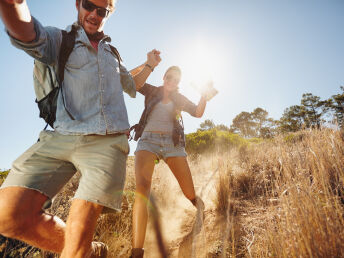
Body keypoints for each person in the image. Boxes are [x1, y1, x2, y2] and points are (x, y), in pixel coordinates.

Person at [0, 0, 161, 257]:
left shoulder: (112, 54)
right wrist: (13, 4)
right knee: (7, 215)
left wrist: (150, 65)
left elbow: (132, 85)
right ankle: (91, 251)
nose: (94, 14)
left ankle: (80, 249)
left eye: (102, 11)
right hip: (61, 136)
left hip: (106, 142)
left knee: (77, 235)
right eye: (89, 5)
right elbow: (26, 31)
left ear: (108, 14)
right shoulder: (59, 40)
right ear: (78, 3)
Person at [130, 66, 213, 257]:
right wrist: (148, 64)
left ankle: (198, 204)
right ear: (164, 77)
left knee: (189, 192)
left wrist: (204, 95)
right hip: (147, 142)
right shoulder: (151, 90)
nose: (172, 81)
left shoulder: (180, 98)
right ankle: (136, 251)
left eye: (176, 80)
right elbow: (132, 80)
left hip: (172, 145)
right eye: (169, 77)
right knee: (141, 191)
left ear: (179, 83)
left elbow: (198, 112)